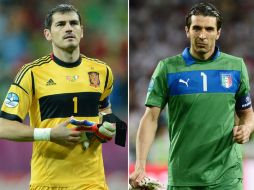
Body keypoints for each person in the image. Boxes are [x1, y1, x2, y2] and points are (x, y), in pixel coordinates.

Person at [130, 2, 254, 190]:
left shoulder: (236, 67)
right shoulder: (167, 68)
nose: (202, 35)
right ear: (187, 30)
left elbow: (247, 113)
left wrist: (247, 128)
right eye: (197, 28)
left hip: (227, 176)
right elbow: (150, 118)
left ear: (218, 33)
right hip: (183, 177)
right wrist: (140, 165)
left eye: (209, 29)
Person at [0, 4, 120, 190]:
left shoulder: (102, 71)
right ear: (47, 34)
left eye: (73, 23)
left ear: (81, 31)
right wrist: (49, 134)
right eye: (61, 24)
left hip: (92, 182)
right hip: (48, 183)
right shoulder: (31, 73)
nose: (68, 28)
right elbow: (3, 126)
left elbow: (106, 112)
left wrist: (109, 128)